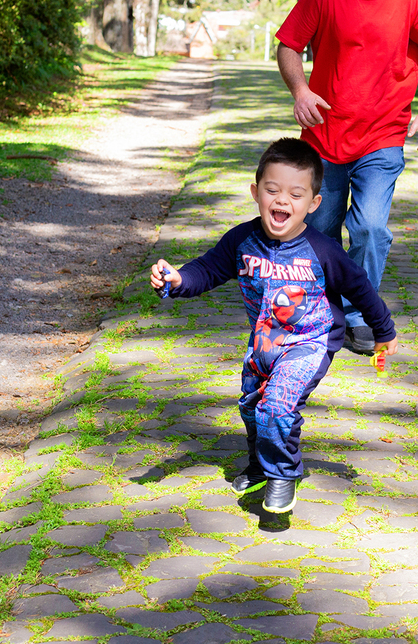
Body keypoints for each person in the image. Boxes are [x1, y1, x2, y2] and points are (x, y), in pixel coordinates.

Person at [150, 138, 397, 514]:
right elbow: (209, 269)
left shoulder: (322, 250)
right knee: (251, 406)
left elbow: (359, 288)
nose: (282, 201)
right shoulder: (242, 240)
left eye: (296, 194)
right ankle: (261, 465)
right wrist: (178, 280)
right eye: (272, 190)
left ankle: (283, 473)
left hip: (309, 342)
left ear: (313, 204)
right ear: (256, 192)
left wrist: (384, 331)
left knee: (277, 405)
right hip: (264, 341)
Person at [275, 0, 418, 356]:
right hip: (325, 138)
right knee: (321, 229)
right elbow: (289, 45)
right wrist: (300, 91)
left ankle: (357, 317)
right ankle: (327, 311)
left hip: (383, 138)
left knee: (371, 228)